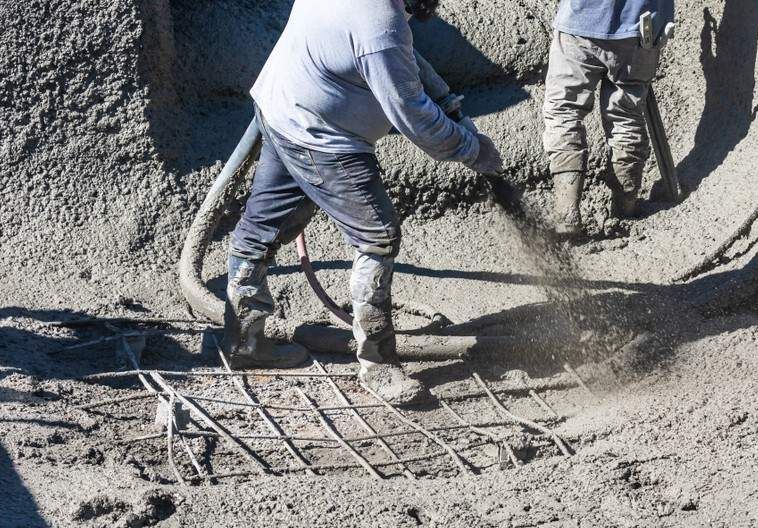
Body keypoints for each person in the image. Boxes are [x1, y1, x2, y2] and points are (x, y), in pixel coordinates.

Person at [224, 0, 503, 403]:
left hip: (282, 105)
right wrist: (472, 149)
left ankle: (242, 344)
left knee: (263, 226)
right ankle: (379, 366)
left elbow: (402, 54)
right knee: (378, 234)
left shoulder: (380, 19)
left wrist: (443, 95)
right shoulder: (379, 25)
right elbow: (413, 116)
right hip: (324, 138)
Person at [542, 0, 675, 235]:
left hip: (581, 21)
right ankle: (624, 208)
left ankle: (566, 214)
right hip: (641, 30)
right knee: (626, 116)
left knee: (564, 111)